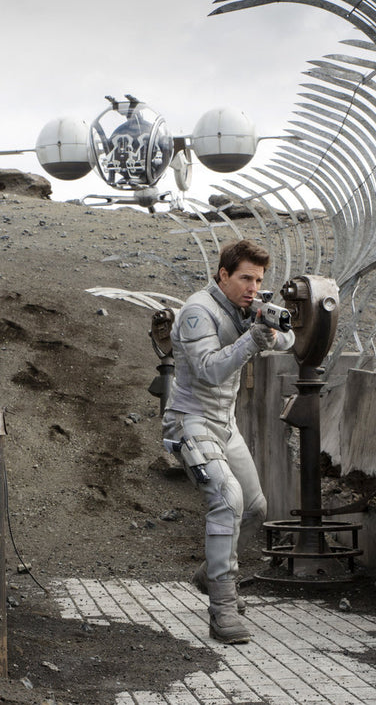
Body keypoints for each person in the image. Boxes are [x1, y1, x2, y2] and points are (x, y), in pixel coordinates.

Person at [161, 239, 294, 644]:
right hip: (190, 420)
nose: (254, 288)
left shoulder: (246, 309)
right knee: (228, 498)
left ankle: (210, 574)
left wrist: (270, 328)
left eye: (259, 281)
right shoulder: (198, 311)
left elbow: (287, 341)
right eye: (246, 278)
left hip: (224, 424)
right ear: (223, 275)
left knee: (255, 508)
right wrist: (252, 339)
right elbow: (207, 370)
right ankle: (222, 608)